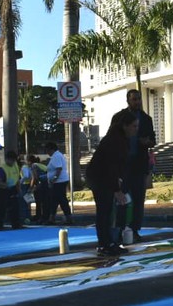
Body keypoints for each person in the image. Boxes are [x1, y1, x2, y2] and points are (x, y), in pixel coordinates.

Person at [85, 109, 138, 256]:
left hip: (106, 177)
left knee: (108, 212)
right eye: (133, 126)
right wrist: (116, 189)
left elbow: (119, 166)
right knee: (104, 211)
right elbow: (110, 167)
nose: (135, 129)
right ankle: (104, 244)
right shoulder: (113, 141)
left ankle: (109, 242)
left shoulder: (122, 140)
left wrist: (119, 183)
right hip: (99, 178)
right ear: (124, 126)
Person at [123, 89, 156, 241]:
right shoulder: (120, 117)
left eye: (138, 99)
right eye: (134, 99)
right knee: (122, 198)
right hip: (123, 165)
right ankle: (121, 228)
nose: (137, 102)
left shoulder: (146, 119)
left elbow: (153, 141)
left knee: (138, 199)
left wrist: (146, 142)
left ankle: (135, 229)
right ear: (128, 100)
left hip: (139, 164)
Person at [44, 142, 73, 225]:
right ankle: (52, 217)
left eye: (47, 150)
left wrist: (54, 179)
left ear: (51, 149)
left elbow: (58, 169)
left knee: (61, 200)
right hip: (59, 181)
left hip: (59, 182)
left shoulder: (56, 156)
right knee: (54, 200)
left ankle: (68, 218)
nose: (47, 152)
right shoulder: (57, 155)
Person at [0, 150, 23, 230]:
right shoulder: (2, 168)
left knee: (15, 208)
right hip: (3, 190)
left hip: (13, 189)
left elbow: (17, 179)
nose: (12, 162)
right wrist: (6, 185)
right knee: (2, 209)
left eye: (14, 160)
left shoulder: (15, 166)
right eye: (11, 160)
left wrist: (19, 189)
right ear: (7, 159)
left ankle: (16, 225)